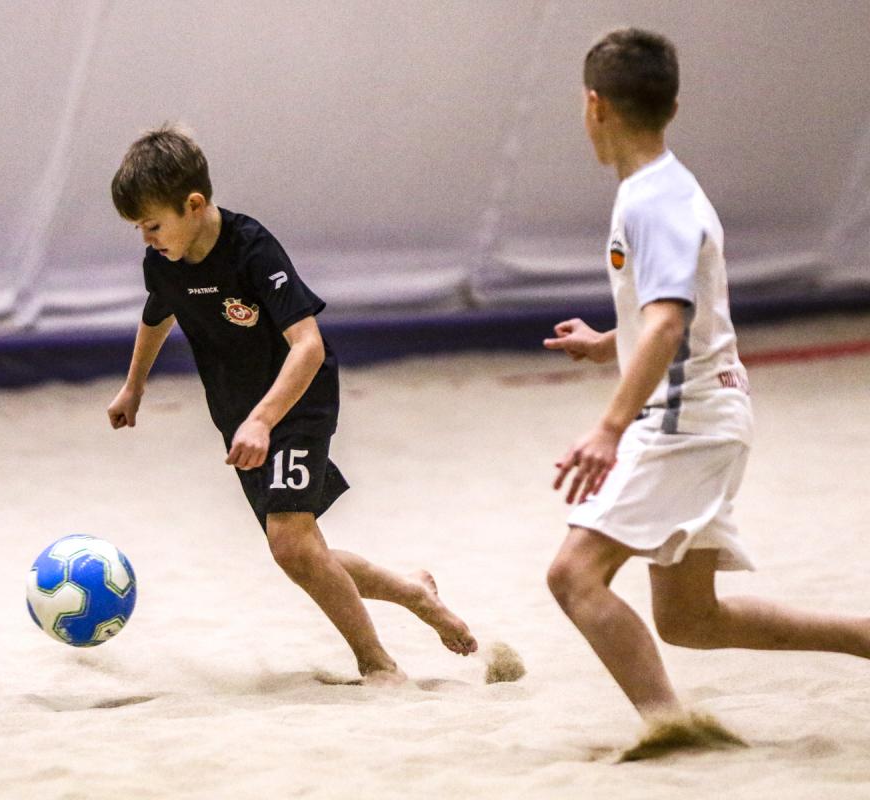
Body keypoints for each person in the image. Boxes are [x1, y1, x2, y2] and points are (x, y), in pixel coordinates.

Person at [544, 28, 870, 730]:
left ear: (594, 105)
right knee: (690, 619)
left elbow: (667, 325)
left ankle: (670, 729)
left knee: (573, 576)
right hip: (708, 412)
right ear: (673, 105)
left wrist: (607, 429)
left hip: (684, 421)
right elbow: (672, 315)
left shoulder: (652, 201)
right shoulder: (661, 189)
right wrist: (609, 342)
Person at [106, 125, 477, 684]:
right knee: (301, 551)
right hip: (239, 415)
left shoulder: (252, 248)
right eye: (138, 228)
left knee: (290, 544)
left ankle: (377, 664)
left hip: (295, 399)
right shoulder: (163, 262)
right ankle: (413, 592)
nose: (146, 238)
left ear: (194, 205)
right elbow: (158, 313)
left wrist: (263, 419)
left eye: (153, 225)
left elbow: (308, 345)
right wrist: (134, 385)